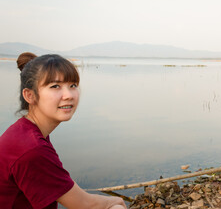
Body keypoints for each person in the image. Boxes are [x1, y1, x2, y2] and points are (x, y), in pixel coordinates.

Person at [0, 52, 126, 209]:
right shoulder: (31, 149)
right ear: (30, 95)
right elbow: (84, 204)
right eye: (55, 86)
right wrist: (116, 202)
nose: (68, 95)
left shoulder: (25, 133)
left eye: (73, 85)